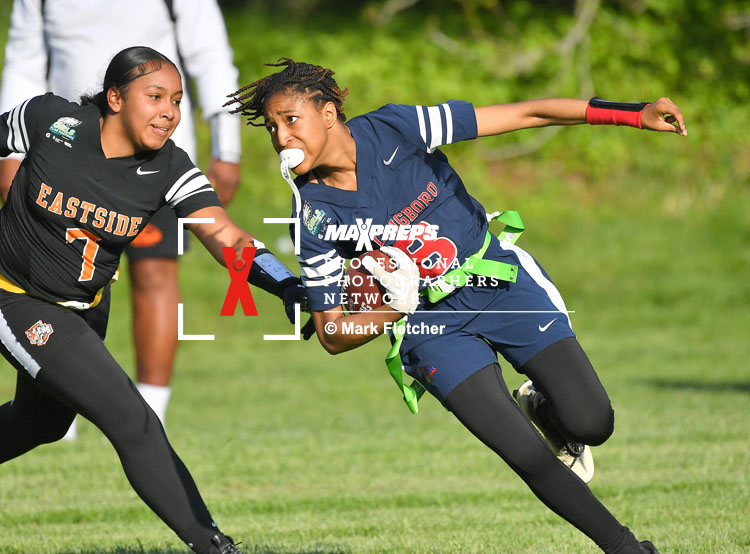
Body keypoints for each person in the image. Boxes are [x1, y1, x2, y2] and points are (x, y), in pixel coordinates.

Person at [226, 58, 687, 554]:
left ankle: (546, 410)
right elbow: (333, 333)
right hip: (430, 328)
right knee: (524, 453)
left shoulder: (395, 127)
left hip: (498, 282)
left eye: (290, 120)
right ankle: (626, 548)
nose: (280, 137)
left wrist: (632, 114)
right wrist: (391, 309)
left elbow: (528, 112)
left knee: (593, 422)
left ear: (330, 113)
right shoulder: (311, 213)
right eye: (272, 128)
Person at [0, 47, 305, 554]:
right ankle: (213, 545)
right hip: (16, 300)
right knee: (131, 417)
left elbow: (225, 236)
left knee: (42, 425)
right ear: (115, 97)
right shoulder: (50, 119)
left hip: (85, 308)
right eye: (156, 96)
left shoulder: (169, 167)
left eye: (178, 101)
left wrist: (285, 284)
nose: (169, 111)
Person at [0, 0, 243, 430]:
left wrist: (227, 144)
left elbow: (208, 52)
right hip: (67, 152)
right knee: (46, 277)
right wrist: (16, 151)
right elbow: (24, 57)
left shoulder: (171, 166)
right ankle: (63, 393)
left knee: (154, 275)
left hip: (152, 164)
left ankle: (152, 408)